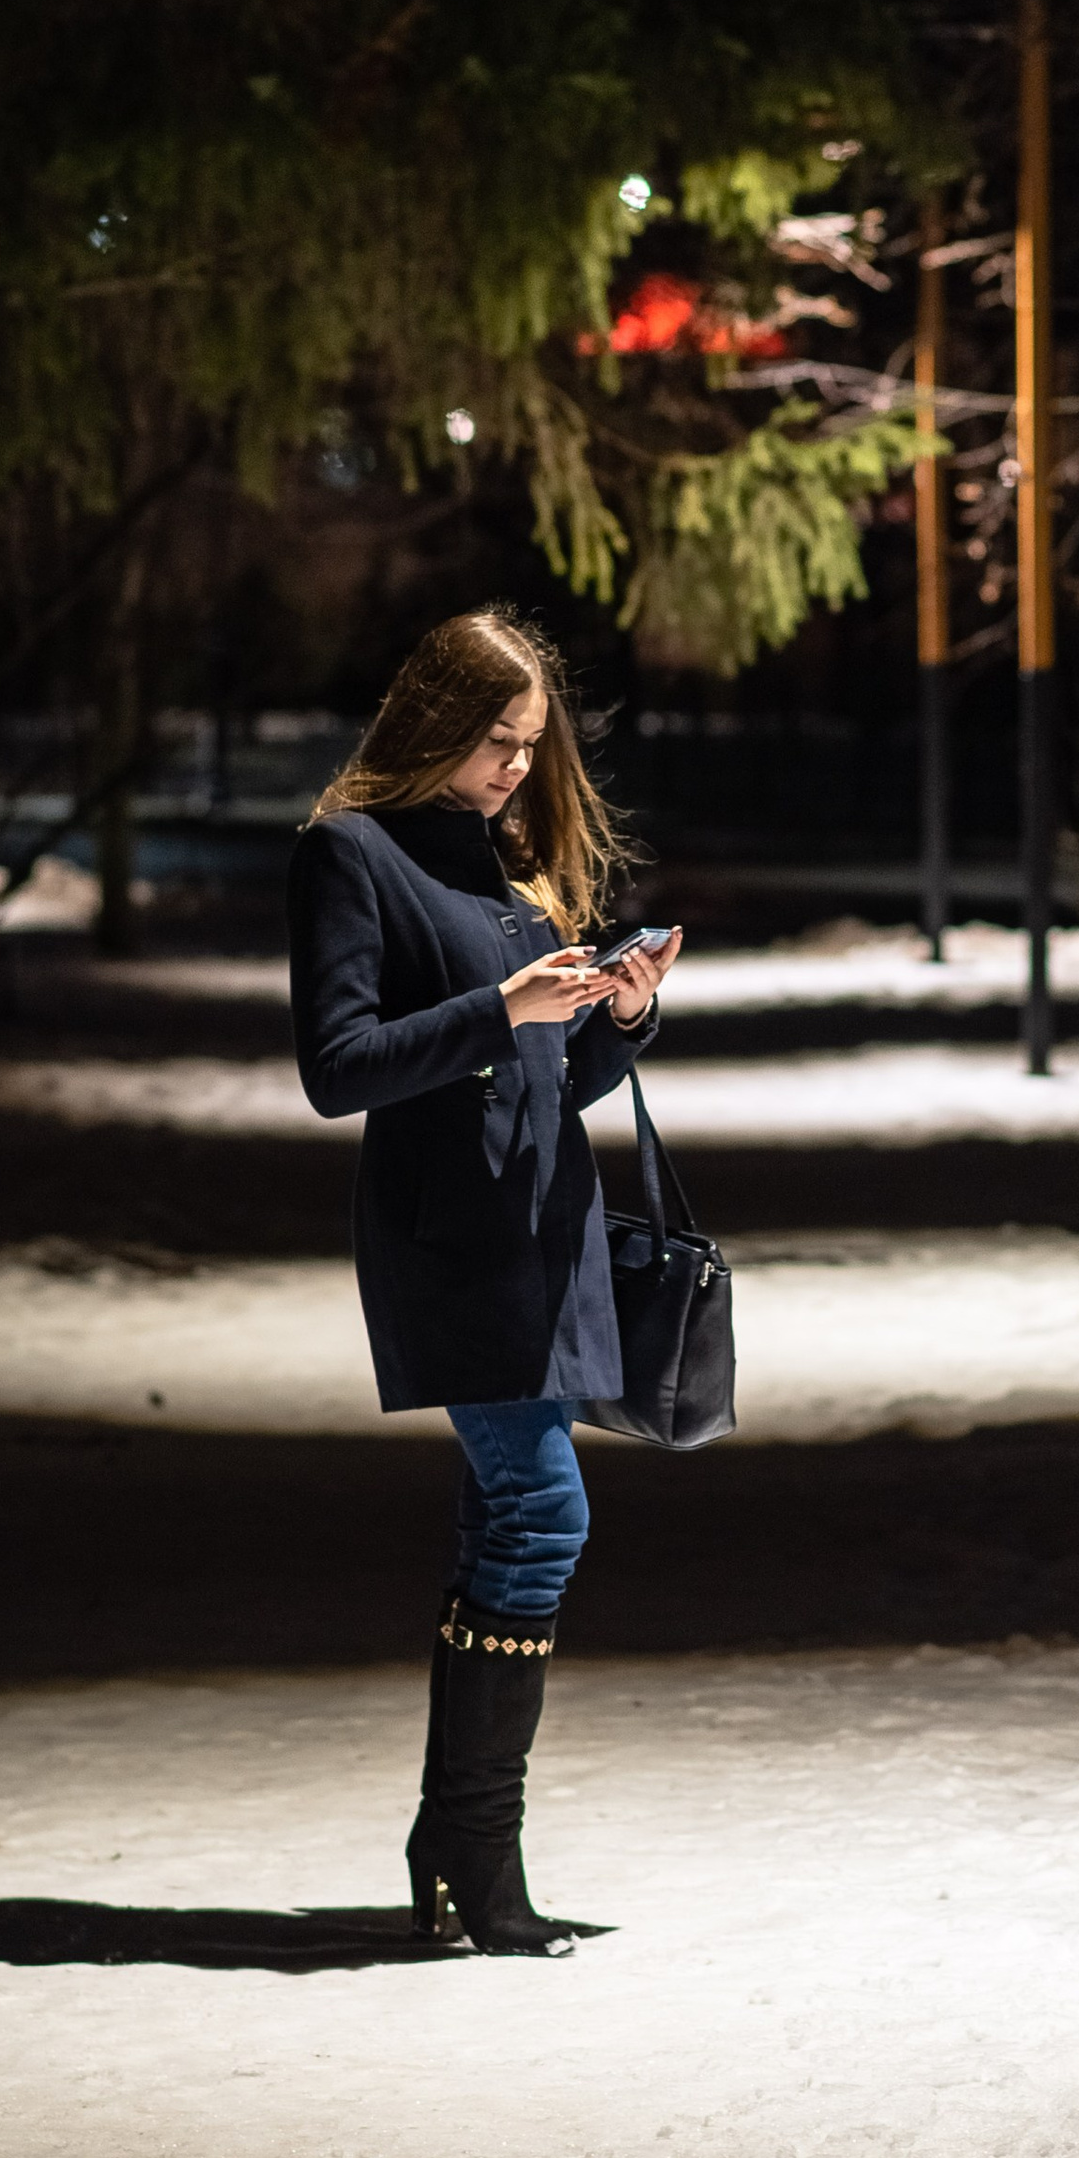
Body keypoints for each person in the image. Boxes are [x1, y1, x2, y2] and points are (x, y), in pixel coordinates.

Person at [288, 607, 682, 1957]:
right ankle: (471, 1848)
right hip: (450, 1242)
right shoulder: (353, 856)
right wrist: (495, 1014)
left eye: (528, 746)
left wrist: (620, 1014)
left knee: (509, 1526)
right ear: (432, 723)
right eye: (494, 742)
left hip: (546, 1236)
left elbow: (550, 1078)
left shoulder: (505, 867)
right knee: (542, 1518)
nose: (516, 768)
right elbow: (337, 1068)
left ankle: (460, 1855)